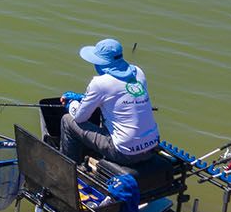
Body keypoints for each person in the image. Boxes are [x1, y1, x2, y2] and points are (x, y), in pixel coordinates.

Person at [60, 38, 160, 166]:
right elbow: (118, 96)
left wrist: (72, 104)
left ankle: (68, 168)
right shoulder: (139, 72)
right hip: (152, 145)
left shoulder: (99, 83)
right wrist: (84, 97)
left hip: (124, 153)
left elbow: (80, 118)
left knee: (67, 120)